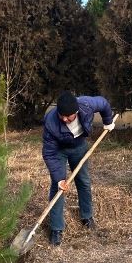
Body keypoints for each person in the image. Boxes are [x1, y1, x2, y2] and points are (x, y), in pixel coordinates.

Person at [42, 91, 115, 246]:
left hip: (79, 146)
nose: (64, 119)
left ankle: (87, 217)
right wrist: (59, 178)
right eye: (62, 115)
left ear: (76, 112)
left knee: (83, 181)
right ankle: (56, 228)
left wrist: (108, 121)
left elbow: (103, 103)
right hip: (59, 151)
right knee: (58, 186)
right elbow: (49, 153)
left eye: (68, 116)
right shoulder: (51, 121)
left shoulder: (86, 105)